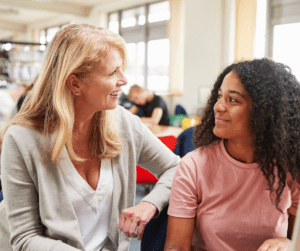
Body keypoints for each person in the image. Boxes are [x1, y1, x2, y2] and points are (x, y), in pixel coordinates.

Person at [0, 24, 180, 251]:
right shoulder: (22, 139)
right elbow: (25, 238)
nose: (123, 80)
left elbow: (176, 168)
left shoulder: (123, 123)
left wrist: (150, 202)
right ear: (75, 83)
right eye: (112, 72)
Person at [164, 58, 300, 251]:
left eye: (233, 99)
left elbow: (297, 237)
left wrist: (289, 243)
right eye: (219, 96)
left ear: (265, 111)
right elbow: (176, 247)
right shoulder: (193, 166)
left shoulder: (289, 167)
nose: (218, 106)